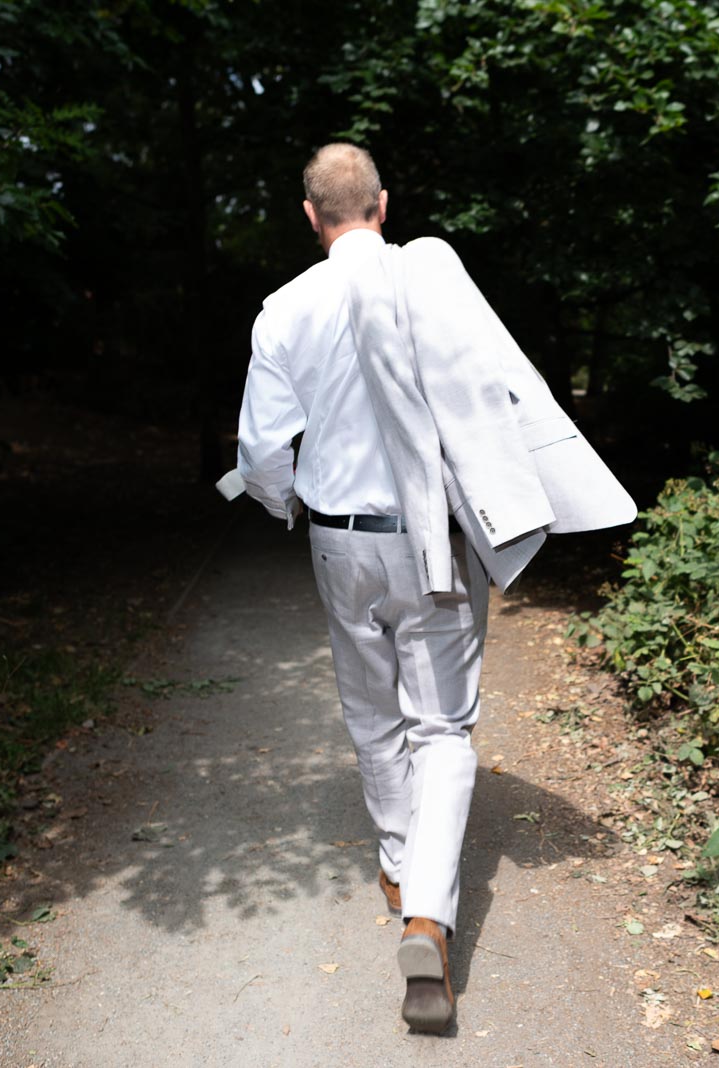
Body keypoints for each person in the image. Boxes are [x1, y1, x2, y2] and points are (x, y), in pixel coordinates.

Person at [221, 143, 633, 1034]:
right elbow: (500, 399)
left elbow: (259, 454)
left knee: (375, 718)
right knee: (442, 725)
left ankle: (403, 866)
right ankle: (426, 917)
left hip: (341, 543)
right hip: (434, 544)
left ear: (310, 216)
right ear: (381, 204)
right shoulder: (436, 286)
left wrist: (294, 503)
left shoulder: (283, 311)